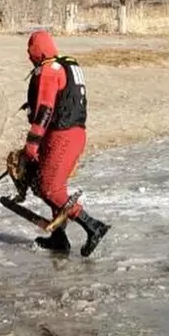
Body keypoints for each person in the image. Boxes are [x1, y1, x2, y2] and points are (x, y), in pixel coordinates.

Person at [21, 29, 111, 257]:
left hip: (63, 136)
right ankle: (59, 237)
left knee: (49, 188)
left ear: (37, 50)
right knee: (45, 185)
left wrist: (32, 142)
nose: (29, 56)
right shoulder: (67, 65)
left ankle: (93, 225)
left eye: (30, 51)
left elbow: (45, 109)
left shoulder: (50, 71)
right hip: (74, 134)